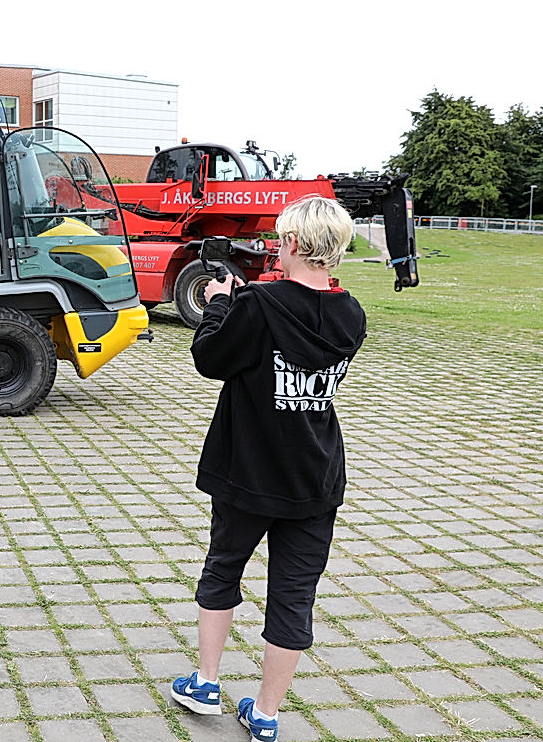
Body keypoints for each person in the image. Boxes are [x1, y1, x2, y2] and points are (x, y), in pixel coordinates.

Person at [169, 196, 367, 742]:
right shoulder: (351, 313)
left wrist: (217, 305)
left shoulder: (257, 304)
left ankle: (206, 682)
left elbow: (211, 360)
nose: (277, 247)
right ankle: (267, 713)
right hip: (314, 477)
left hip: (248, 472)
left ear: (295, 245)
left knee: (223, 568)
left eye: (282, 239)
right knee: (294, 593)